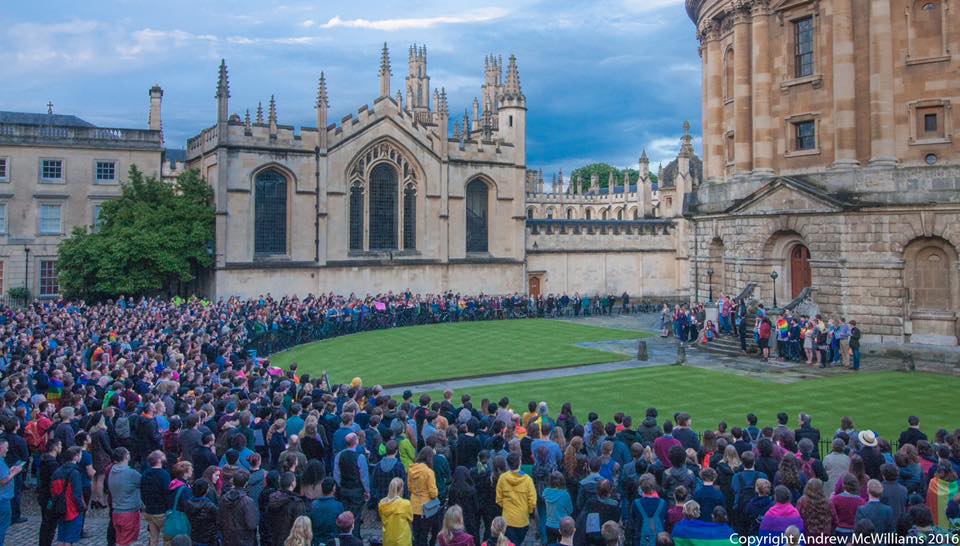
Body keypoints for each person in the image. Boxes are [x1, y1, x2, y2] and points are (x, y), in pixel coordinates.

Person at [495, 452, 537, 546]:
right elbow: (532, 501)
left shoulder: (502, 478)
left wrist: (506, 506)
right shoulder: (528, 480)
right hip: (522, 519)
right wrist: (529, 511)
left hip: (507, 519)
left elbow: (498, 499)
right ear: (520, 463)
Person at [50, 446, 85, 546]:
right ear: (76, 457)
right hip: (72, 509)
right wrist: (81, 508)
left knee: (62, 536)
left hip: (60, 508)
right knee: (69, 539)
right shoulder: (75, 473)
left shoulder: (57, 471)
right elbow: (77, 494)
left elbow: (53, 491)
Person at [106, 447, 142, 546]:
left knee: (120, 540)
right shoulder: (131, 473)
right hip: (129, 512)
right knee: (126, 541)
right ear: (126, 456)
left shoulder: (111, 470)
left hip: (116, 511)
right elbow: (144, 483)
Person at [218, 471, 259, 546]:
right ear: (246, 483)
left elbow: (220, 520)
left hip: (228, 539)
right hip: (244, 540)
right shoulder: (247, 501)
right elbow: (252, 524)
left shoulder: (223, 498)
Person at [409, 447, 440, 546]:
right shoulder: (429, 472)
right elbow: (433, 493)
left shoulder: (411, 469)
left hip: (413, 505)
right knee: (424, 534)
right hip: (426, 507)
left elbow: (409, 487)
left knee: (415, 533)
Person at [630, 474, 666, 546]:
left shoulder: (636, 503)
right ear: (654, 486)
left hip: (640, 539)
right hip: (659, 540)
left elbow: (632, 521)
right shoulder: (663, 503)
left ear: (641, 487)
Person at [447, 466, 480, 541]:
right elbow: (476, 507)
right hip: (469, 518)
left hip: (455, 518)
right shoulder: (471, 490)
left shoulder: (452, 489)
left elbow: (450, 504)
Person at [380, 477, 414, 546]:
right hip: (402, 539)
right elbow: (410, 519)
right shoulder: (405, 503)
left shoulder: (382, 504)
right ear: (401, 489)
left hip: (388, 538)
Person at [830, 474, 866, 539]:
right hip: (854, 532)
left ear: (843, 485)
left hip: (839, 531)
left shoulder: (836, 499)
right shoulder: (862, 501)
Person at [0, 438, 22, 546]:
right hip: (2, 500)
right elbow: (3, 480)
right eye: (6, 448)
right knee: (2, 526)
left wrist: (10, 471)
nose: (7, 450)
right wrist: (15, 473)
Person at [312, 478, 346, 546]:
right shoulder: (339, 506)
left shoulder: (313, 505)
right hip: (333, 542)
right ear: (334, 489)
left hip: (316, 542)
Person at [184, 480, 219, 546]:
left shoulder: (188, 504)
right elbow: (218, 519)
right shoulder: (210, 506)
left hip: (195, 537)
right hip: (209, 539)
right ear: (205, 491)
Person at [542, 472, 573, 544]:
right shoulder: (565, 495)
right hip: (562, 526)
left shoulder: (545, 492)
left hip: (549, 525)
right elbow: (570, 510)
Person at [925, 462, 959, 528]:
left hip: (936, 522)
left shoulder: (933, 483)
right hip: (953, 523)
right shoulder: (957, 485)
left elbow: (928, 499)